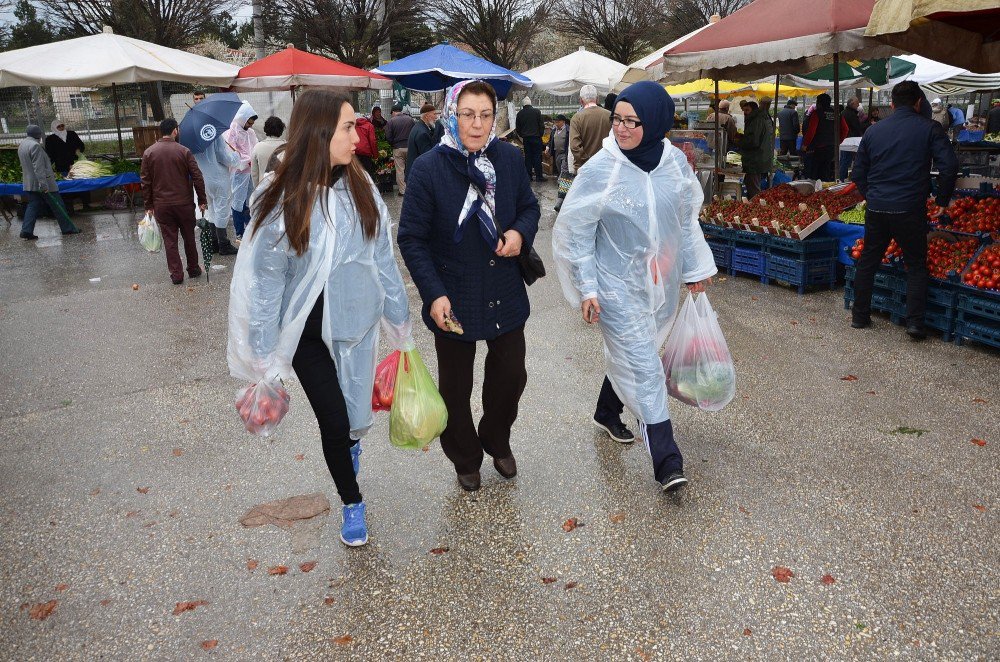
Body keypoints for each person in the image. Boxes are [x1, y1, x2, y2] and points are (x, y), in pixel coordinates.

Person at [228, 89, 413, 547]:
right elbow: (266, 284)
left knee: (353, 420)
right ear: (320, 132)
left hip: (357, 327)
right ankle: (352, 501)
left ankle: (349, 443)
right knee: (334, 422)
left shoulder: (362, 187)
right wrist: (262, 354)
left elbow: (382, 260)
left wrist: (400, 324)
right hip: (309, 338)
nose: (357, 137)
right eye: (348, 128)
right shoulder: (283, 198)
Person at [552, 81, 716, 493]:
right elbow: (575, 233)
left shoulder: (674, 163)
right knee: (645, 366)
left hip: (661, 285)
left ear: (656, 122)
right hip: (614, 287)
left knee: (638, 350)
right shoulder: (601, 169)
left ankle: (607, 411)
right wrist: (587, 288)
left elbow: (685, 219)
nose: (621, 129)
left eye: (632, 121)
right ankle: (666, 459)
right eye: (617, 119)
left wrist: (696, 268)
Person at [398, 79, 540, 493]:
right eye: (467, 114)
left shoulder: (509, 159)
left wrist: (518, 233)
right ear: (451, 114)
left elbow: (529, 206)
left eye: (484, 115)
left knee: (511, 375)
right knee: (456, 387)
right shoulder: (429, 168)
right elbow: (411, 238)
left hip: (505, 288)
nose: (476, 125)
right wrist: (433, 292)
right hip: (453, 293)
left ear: (495, 118)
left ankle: (497, 438)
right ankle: (465, 455)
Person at [850, 81, 958, 341]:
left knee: (868, 261)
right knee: (916, 265)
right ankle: (914, 324)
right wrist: (943, 198)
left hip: (877, 207)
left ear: (892, 103)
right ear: (919, 102)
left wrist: (870, 194)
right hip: (910, 207)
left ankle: (859, 315)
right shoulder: (929, 128)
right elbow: (950, 165)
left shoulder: (874, 131)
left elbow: (858, 172)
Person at [140, 119, 208, 284]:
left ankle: (176, 275)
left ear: (160, 132)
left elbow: (145, 181)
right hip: (184, 203)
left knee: (170, 241)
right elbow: (197, 177)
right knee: (189, 238)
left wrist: (149, 205)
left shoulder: (149, 153)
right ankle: (193, 269)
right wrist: (202, 199)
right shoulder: (184, 151)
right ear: (175, 131)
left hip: (162, 205)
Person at [192, 99, 240, 256]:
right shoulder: (214, 132)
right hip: (218, 177)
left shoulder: (193, 136)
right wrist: (236, 157)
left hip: (202, 177)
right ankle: (224, 243)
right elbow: (222, 156)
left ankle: (214, 244)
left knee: (212, 208)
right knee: (222, 209)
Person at [17, 125, 79, 239]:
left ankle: (26, 230)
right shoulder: (35, 146)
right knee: (57, 205)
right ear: (38, 135)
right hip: (43, 183)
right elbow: (39, 168)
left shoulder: (22, 145)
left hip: (29, 182)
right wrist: (43, 185)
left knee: (33, 205)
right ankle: (68, 228)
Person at [223, 102, 258, 241]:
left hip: (250, 171)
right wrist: (245, 160)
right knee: (238, 201)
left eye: (252, 123)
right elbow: (230, 153)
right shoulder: (232, 131)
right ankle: (239, 232)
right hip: (238, 172)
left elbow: (255, 147)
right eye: (249, 122)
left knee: (250, 200)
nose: (250, 125)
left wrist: (252, 159)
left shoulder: (251, 132)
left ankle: (250, 228)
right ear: (243, 118)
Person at [802, 93, 848, 181]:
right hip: (832, 147)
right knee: (827, 170)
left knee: (815, 172)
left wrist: (805, 144)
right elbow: (845, 129)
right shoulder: (837, 114)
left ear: (819, 103)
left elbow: (812, 131)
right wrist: (838, 142)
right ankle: (825, 188)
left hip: (819, 147)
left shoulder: (817, 113)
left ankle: (816, 190)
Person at [569, 84, 612, 172]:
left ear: (581, 100)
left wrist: (587, 160)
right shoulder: (610, 115)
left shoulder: (577, 118)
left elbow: (574, 146)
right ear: (597, 98)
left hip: (584, 167)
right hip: (606, 166)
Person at [740, 101, 772, 199]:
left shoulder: (756, 120)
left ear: (753, 110)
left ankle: (755, 207)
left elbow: (753, 141)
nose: (745, 112)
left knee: (753, 188)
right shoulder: (760, 118)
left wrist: (739, 142)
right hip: (758, 158)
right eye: (744, 110)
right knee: (752, 184)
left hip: (755, 159)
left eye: (747, 110)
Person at [405, 103, 443, 181]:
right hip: (418, 176)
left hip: (415, 173)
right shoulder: (422, 132)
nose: (436, 117)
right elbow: (428, 156)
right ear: (427, 116)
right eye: (434, 114)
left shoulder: (420, 126)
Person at [384, 103, 415, 196]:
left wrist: (393, 143)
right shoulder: (410, 119)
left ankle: (402, 191)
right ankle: (412, 189)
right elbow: (415, 132)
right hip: (410, 147)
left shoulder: (391, 121)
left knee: (400, 170)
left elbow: (388, 136)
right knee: (410, 168)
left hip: (397, 148)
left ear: (393, 112)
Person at [515, 96, 546, 181]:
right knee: (537, 157)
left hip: (526, 139)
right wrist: (540, 135)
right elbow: (541, 125)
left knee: (528, 157)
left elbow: (518, 128)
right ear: (530, 103)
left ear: (523, 105)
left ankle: (529, 177)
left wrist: (522, 135)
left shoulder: (520, 114)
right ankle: (539, 177)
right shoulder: (537, 112)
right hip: (536, 138)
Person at [251, 116, 285, 188]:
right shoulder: (287, 147)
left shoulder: (258, 147)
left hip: (264, 188)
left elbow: (254, 173)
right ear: (281, 129)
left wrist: (257, 189)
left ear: (265, 129)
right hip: (282, 188)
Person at [839, 97, 865, 180]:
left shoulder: (844, 112)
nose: (858, 105)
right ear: (852, 104)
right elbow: (857, 127)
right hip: (850, 140)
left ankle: (842, 178)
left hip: (845, 139)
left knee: (844, 160)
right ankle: (842, 179)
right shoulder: (851, 114)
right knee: (846, 161)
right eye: (857, 103)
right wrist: (868, 125)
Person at [353, 114, 378, 179]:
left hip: (354, 152)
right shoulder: (369, 126)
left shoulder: (353, 126)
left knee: (356, 173)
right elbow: (372, 141)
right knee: (367, 173)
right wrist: (375, 155)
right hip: (366, 153)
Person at [547, 114, 570, 178]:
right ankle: (562, 181)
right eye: (555, 122)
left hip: (565, 153)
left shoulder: (568, 130)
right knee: (559, 168)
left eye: (558, 122)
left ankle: (562, 183)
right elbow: (551, 140)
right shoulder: (554, 130)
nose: (556, 124)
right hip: (557, 153)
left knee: (564, 169)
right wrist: (548, 147)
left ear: (563, 122)